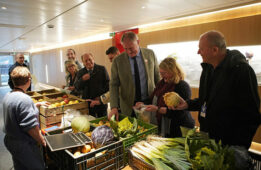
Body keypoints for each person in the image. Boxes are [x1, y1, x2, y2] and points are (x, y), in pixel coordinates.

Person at [171, 30, 260, 149]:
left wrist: (239, 147)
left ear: (215, 50)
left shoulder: (241, 70)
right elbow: (206, 101)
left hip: (229, 145)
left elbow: (251, 115)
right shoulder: (207, 68)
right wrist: (187, 104)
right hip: (209, 139)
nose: (198, 52)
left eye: (201, 49)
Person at [135, 57, 195, 137]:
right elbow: (152, 98)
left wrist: (157, 109)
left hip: (179, 128)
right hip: (165, 126)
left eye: (164, 73)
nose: (162, 76)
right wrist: (143, 103)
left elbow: (180, 113)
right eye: (160, 73)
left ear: (173, 71)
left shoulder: (182, 86)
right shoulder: (162, 84)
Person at [3, 66, 48, 170]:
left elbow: (16, 111)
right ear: (29, 80)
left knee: (21, 166)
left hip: (10, 140)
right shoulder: (24, 99)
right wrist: (42, 140)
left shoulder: (8, 95)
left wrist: (36, 105)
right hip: (24, 144)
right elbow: (30, 127)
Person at [109, 31, 160, 120]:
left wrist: (160, 99)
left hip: (149, 102)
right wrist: (114, 107)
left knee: (150, 129)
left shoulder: (150, 54)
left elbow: (157, 77)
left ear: (138, 42)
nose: (129, 51)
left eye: (131, 48)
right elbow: (114, 85)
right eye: (126, 48)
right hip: (128, 105)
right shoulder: (117, 61)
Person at [74, 53, 110, 117]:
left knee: (103, 123)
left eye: (90, 59)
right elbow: (76, 87)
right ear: (83, 63)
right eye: (86, 61)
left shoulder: (102, 69)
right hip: (88, 104)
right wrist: (82, 79)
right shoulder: (80, 72)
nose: (88, 62)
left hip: (101, 103)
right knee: (90, 124)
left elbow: (108, 86)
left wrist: (100, 98)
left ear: (93, 59)